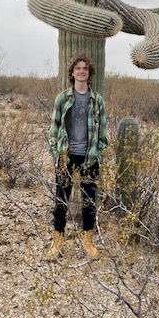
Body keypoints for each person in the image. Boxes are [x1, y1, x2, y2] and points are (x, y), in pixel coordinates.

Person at [48, 55, 107, 259]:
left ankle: (88, 241)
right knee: (61, 200)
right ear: (72, 73)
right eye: (78, 68)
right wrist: (57, 154)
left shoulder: (97, 100)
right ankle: (57, 241)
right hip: (67, 156)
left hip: (90, 157)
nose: (81, 71)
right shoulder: (62, 98)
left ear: (89, 73)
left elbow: (103, 133)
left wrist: (98, 153)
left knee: (89, 201)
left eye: (85, 69)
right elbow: (54, 129)